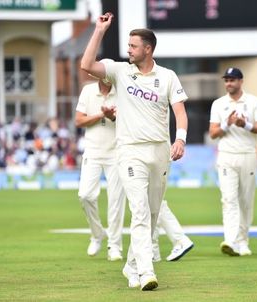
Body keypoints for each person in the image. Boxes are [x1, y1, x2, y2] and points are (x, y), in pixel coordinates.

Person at [80, 13, 188, 291]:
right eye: (128, 45)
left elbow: (180, 112)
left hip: (160, 152)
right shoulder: (119, 71)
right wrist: (99, 30)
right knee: (139, 212)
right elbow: (86, 64)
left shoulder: (167, 76)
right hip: (129, 152)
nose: (128, 49)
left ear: (148, 49)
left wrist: (181, 140)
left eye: (133, 46)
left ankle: (130, 265)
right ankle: (146, 271)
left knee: (152, 214)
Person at [208, 67, 257, 257]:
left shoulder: (253, 102)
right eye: (226, 80)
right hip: (226, 156)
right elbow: (213, 133)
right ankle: (230, 240)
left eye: (232, 80)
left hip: (248, 154)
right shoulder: (218, 104)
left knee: (246, 201)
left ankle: (243, 241)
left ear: (241, 81)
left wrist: (245, 124)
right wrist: (227, 123)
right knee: (228, 199)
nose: (229, 84)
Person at [75, 63, 126, 262]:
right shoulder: (88, 91)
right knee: (85, 195)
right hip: (93, 151)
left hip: (116, 152)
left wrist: (112, 116)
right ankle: (97, 234)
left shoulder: (122, 92)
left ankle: (115, 246)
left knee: (115, 201)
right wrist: (101, 115)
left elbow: (127, 121)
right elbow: (79, 121)